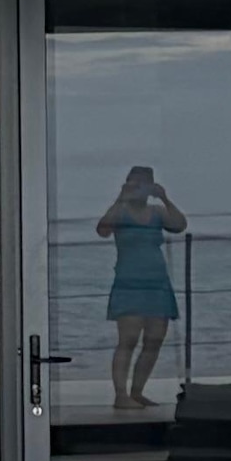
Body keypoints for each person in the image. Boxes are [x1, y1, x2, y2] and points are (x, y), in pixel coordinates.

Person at [93, 165, 186, 410]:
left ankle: (137, 392)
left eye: (143, 185)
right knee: (128, 339)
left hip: (157, 284)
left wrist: (164, 197)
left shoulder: (156, 212)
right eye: (133, 184)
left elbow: (179, 225)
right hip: (129, 283)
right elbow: (103, 230)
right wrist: (120, 198)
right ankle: (120, 394)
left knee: (154, 340)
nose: (138, 189)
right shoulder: (120, 210)